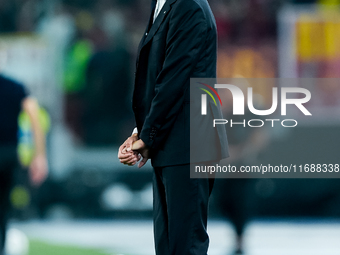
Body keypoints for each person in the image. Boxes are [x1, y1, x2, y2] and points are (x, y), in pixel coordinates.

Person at [118, 0, 229, 254]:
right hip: (173, 142)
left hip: (188, 142)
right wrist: (140, 133)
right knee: (169, 246)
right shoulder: (167, 4)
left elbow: (173, 79)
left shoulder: (188, 6)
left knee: (185, 245)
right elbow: (159, 77)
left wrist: (147, 137)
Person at [0, 74, 48, 255]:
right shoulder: (15, 86)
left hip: (7, 155)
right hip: (9, 154)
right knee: (3, 209)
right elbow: (34, 117)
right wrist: (40, 156)